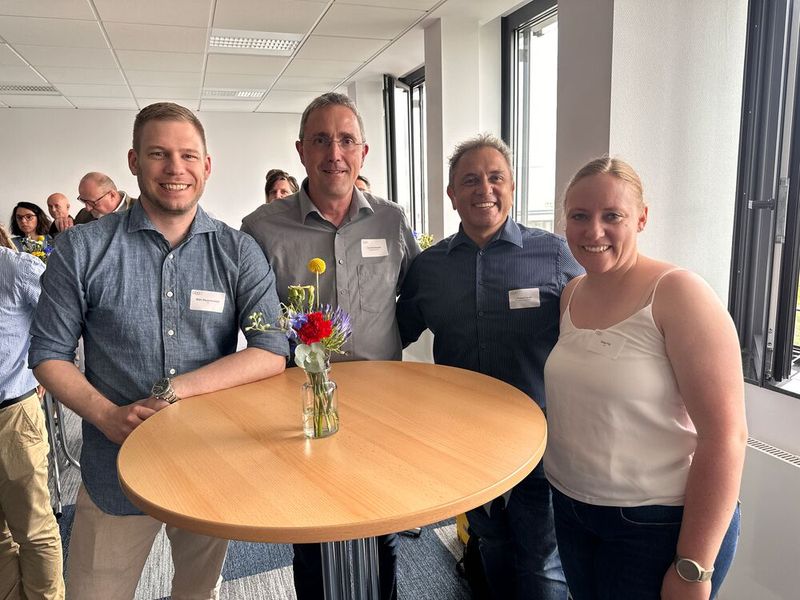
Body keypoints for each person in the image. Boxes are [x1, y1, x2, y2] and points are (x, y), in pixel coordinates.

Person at [29, 102, 289, 600]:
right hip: (115, 469)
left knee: (197, 592)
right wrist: (106, 416)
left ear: (207, 166)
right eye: (159, 154)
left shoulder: (238, 251)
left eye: (189, 155)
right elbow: (48, 354)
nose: (176, 168)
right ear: (133, 161)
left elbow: (271, 349)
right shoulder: (81, 250)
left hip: (209, 462)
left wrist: (176, 391)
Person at [543, 157, 747, 600]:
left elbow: (726, 436)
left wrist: (694, 567)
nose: (593, 231)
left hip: (655, 523)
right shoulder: (574, 291)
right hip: (574, 508)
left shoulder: (679, 293)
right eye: (579, 216)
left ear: (642, 218)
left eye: (611, 215)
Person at [241, 92, 419, 600]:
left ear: (363, 152)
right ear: (301, 151)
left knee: (380, 521)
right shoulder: (261, 228)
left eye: (346, 140)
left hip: (383, 403)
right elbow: (257, 318)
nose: (333, 153)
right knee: (314, 530)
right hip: (303, 404)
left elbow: (409, 296)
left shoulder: (391, 220)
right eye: (321, 140)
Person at [396, 134, 580, 600]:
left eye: (495, 177)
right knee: (491, 542)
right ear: (452, 194)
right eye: (470, 180)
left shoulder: (555, 255)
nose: (485, 189)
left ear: (512, 186)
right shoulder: (429, 268)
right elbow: (391, 335)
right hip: (466, 440)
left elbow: (597, 332)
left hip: (540, 437)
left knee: (542, 561)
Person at [0, 223, 65, 600]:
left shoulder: (16, 269)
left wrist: (46, 368)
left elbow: (61, 321)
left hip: (11, 416)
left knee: (34, 530)